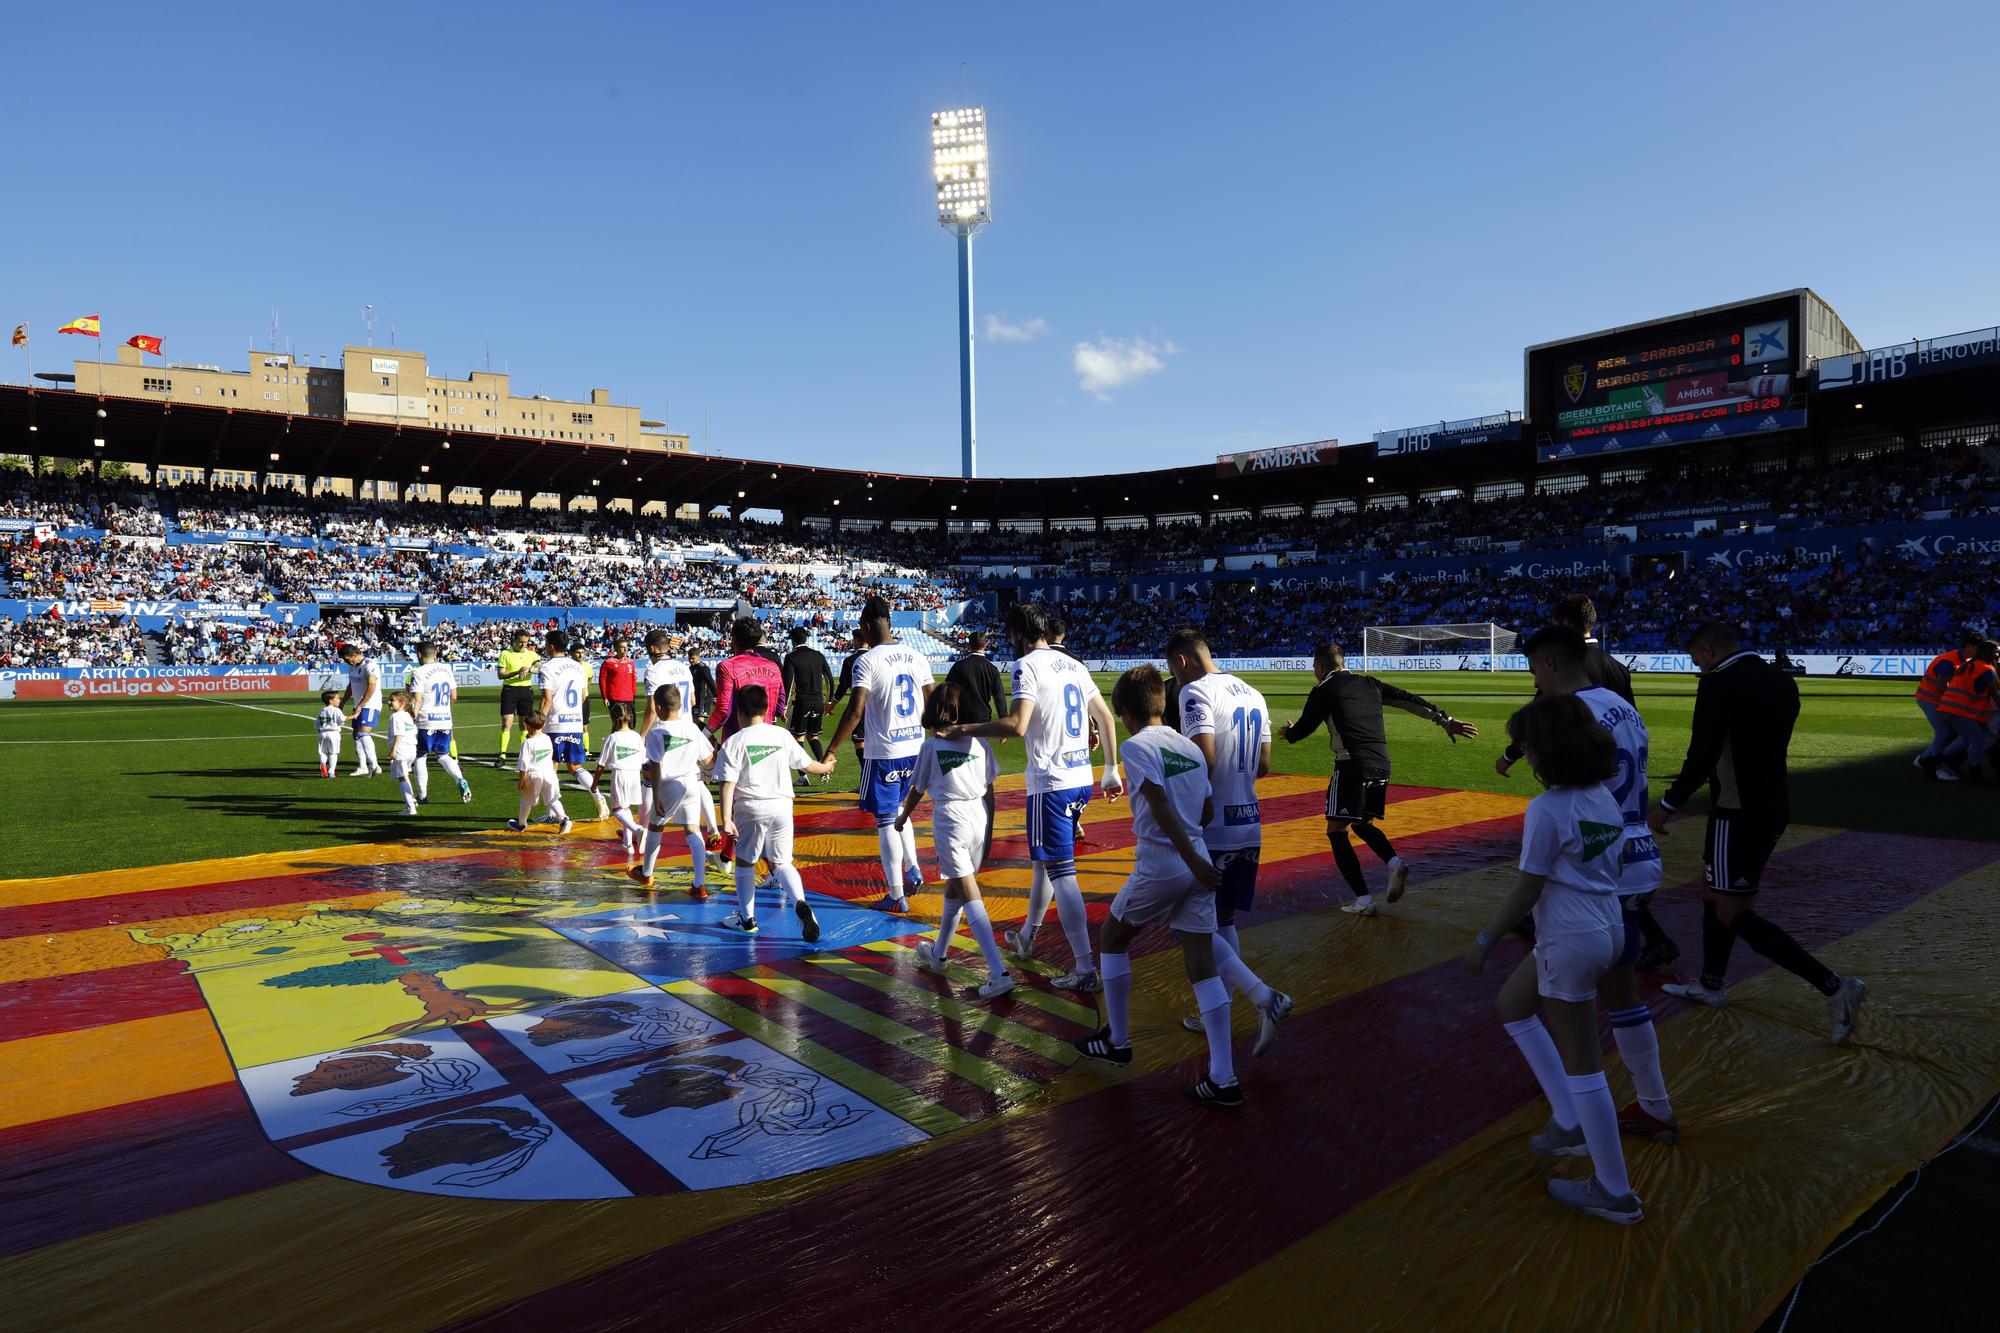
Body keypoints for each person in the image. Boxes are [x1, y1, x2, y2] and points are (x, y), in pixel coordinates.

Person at [1462, 694, 1642, 1226]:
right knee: (1513, 1006)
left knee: (1586, 1067)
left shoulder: (1548, 808)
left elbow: (1526, 887)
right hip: (1603, 927)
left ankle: (1615, 1190)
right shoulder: (1602, 796)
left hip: (1570, 937)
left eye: (1529, 747)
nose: (1526, 755)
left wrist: (1484, 941)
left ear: (1550, 750)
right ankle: (1568, 1120)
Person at [1649, 623, 1868, 1043]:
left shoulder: (1719, 684)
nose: (1696, 667)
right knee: (1714, 895)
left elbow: (1704, 752)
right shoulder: (1780, 680)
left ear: (1709, 651)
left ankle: (1836, 986)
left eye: (1696, 658)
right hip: (1770, 804)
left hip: (1737, 811)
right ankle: (1711, 983)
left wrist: (1668, 805)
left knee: (1733, 910)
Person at [1515, 626, 1676, 1143]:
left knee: (1563, 999)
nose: (1535, 679)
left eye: (1535, 668)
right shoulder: (1622, 705)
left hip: (1599, 869)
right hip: (1638, 856)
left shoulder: (1573, 714)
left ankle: (1579, 1112)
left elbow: (1576, 801)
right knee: (1621, 993)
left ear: (1550, 664)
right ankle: (1650, 1105)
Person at [1073, 665, 1241, 1107]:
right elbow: (1204, 810)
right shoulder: (1187, 745)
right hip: (1200, 854)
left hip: (1167, 859)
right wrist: (1196, 856)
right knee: (1202, 963)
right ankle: (1223, 1076)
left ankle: (1120, 1039)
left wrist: (1184, 856)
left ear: (1125, 713)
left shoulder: (1136, 746)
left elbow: (1159, 805)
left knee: (1112, 937)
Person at [944, 602, 1123, 992]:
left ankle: (1084, 968)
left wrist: (965, 728)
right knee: (1046, 862)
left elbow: (1018, 725)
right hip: (1080, 778)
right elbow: (1106, 718)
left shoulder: (1027, 665)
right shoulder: (1074, 665)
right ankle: (1028, 934)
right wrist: (1110, 768)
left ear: (1018, 635)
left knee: (1061, 871)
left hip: (1051, 782)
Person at [1165, 627, 1292, 1056]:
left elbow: (1203, 756)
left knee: (1189, 925)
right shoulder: (1253, 693)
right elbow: (1266, 764)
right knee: (1224, 921)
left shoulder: (1194, 692)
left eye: (1173, 671)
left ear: (1181, 661)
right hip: (1249, 819)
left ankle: (1258, 997)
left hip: (1213, 826)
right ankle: (1225, 1007)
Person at [1283, 642, 1477, 914]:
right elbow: (1409, 700)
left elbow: (1304, 728)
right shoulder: (1370, 683)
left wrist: (1288, 733)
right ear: (1343, 661)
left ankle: (1363, 900)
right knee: (1362, 824)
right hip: (1381, 765)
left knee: (1336, 830)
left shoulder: (1323, 690)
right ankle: (1394, 863)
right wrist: (1445, 721)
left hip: (1351, 765)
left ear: (1318, 667)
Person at [895, 683, 1011, 999]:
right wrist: (988, 826)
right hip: (978, 815)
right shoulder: (979, 743)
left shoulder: (931, 748)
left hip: (951, 818)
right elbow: (989, 785)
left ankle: (998, 971)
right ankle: (939, 954)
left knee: (969, 892)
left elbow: (918, 787)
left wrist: (904, 817)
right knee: (956, 886)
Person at [826, 597, 934, 910]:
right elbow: (933, 702)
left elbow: (855, 710)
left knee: (886, 820)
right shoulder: (916, 656)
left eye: (861, 628)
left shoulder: (867, 660)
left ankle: (896, 894)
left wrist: (832, 750)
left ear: (869, 626)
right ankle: (913, 867)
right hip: (916, 749)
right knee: (902, 810)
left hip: (885, 752)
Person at [715, 684, 837, 936]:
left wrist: (726, 818)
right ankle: (801, 904)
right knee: (782, 862)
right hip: (782, 806)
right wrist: (826, 767)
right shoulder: (781, 735)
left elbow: (728, 784)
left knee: (746, 864)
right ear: (767, 708)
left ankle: (747, 920)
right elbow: (806, 764)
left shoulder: (734, 742)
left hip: (751, 808)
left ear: (738, 711)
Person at [632, 683, 718, 894]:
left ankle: (646, 873)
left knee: (656, 827)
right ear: (679, 705)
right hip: (691, 783)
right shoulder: (692, 728)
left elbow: (655, 766)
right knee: (692, 830)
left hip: (668, 786)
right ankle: (699, 884)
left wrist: (657, 795)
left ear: (658, 708)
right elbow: (708, 760)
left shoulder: (656, 733)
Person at [538, 629, 609, 821]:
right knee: (575, 766)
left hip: (554, 724)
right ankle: (598, 796)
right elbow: (584, 695)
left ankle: (554, 813)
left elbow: (546, 700)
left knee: (550, 767)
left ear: (551, 646)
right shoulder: (578, 667)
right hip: (575, 723)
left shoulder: (547, 668)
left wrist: (537, 725)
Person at [409, 642, 472, 804]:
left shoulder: (418, 672)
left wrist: (411, 718)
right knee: (443, 755)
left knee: (420, 755)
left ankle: (422, 795)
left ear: (419, 655)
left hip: (425, 720)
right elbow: (454, 696)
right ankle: (460, 779)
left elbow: (417, 699)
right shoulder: (446, 669)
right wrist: (443, 711)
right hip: (444, 719)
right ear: (435, 654)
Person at [708, 618, 786, 743]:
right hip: (767, 742)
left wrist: (704, 734)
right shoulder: (773, 667)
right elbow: (780, 708)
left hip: (737, 741)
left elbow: (723, 710)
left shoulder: (727, 666)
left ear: (734, 640)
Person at [1913, 630, 1980, 777]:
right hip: (1930, 700)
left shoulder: (1961, 659)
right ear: (1969, 646)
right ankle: (1935, 766)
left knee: (1950, 733)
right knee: (1944, 733)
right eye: (1978, 648)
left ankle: (1925, 759)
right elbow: (1941, 685)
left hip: (1935, 699)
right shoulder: (1950, 661)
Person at [1933, 637, 1999, 782]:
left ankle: (1938, 761)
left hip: (1949, 707)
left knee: (1967, 740)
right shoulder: (1986, 670)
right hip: (1960, 710)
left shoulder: (1969, 665)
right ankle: (1975, 776)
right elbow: (1994, 695)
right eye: (1996, 652)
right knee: (1977, 740)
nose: (1998, 655)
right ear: (1989, 653)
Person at [593, 703, 648, 855]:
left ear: (614, 720)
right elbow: (644, 760)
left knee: (617, 810)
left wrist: (594, 783)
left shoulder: (613, 738)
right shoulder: (637, 736)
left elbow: (601, 764)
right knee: (626, 808)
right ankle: (628, 844)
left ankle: (638, 830)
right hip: (635, 775)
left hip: (620, 775)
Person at [781, 626, 835, 778]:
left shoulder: (791, 657)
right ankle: (824, 769)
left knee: (797, 737)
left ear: (792, 640)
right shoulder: (818, 655)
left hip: (802, 702)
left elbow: (788, 684)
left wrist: (783, 707)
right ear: (806, 638)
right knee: (813, 736)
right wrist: (828, 701)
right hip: (818, 701)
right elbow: (829, 680)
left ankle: (802, 777)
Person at [507, 712, 572, 835]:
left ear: (528, 726)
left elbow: (523, 765)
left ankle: (521, 824)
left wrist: (521, 780)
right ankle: (564, 819)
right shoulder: (547, 738)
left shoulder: (528, 743)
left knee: (526, 800)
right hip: (549, 773)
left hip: (534, 775)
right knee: (553, 799)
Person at [337, 642, 385, 777]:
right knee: (357, 736)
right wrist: (343, 702)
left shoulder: (370, 665)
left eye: (348, 659)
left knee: (363, 733)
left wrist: (361, 705)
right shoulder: (352, 667)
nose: (347, 662)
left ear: (356, 654)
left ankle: (375, 766)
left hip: (370, 704)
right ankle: (362, 766)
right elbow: (351, 686)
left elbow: (371, 687)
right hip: (358, 705)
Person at [638, 629, 695, 734]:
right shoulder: (684, 667)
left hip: (664, 732)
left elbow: (652, 710)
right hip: (687, 728)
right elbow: (692, 701)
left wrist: (642, 735)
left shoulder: (653, 671)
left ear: (651, 649)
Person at [496, 629, 541, 762]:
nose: (523, 645)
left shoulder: (532, 654)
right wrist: (517, 671)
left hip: (526, 691)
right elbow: (501, 675)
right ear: (514, 640)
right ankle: (502, 754)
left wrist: (529, 669)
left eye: (526, 642)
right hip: (510, 690)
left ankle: (524, 753)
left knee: (525, 725)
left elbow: (539, 667)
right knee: (506, 724)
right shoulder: (505, 653)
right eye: (520, 642)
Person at [944, 630, 1005, 724]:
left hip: (962, 719)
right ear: (985, 646)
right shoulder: (992, 669)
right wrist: (1003, 722)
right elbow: (999, 698)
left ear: (969, 646)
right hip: (983, 719)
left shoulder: (958, 666)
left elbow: (946, 692)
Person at [385, 691, 422, 816]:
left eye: (392, 700)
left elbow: (399, 734)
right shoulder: (408, 715)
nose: (389, 702)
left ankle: (410, 808)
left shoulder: (396, 717)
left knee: (402, 778)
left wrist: (393, 750)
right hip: (412, 749)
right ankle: (412, 800)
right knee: (405, 776)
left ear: (401, 703)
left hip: (402, 749)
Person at [600, 636, 637, 725]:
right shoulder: (608, 662)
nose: (625, 649)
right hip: (615, 698)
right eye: (622, 647)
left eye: (626, 647)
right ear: (616, 648)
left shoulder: (631, 662)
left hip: (629, 698)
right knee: (618, 725)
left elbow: (633, 680)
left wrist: (633, 694)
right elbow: (602, 680)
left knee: (631, 724)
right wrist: (605, 697)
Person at [314, 689, 345, 779]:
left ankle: (323, 764)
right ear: (331, 700)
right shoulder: (337, 710)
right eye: (337, 698)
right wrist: (354, 716)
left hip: (322, 733)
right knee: (333, 753)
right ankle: (331, 772)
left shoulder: (322, 710)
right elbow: (342, 720)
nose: (339, 700)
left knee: (323, 753)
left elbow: (317, 725)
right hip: (334, 733)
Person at [687, 645, 717, 724]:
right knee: (694, 722)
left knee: (700, 721)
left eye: (693, 658)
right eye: (689, 658)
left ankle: (705, 736)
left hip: (704, 698)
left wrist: (716, 696)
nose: (691, 660)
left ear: (698, 657)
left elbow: (710, 681)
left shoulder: (703, 668)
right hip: (696, 698)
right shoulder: (691, 668)